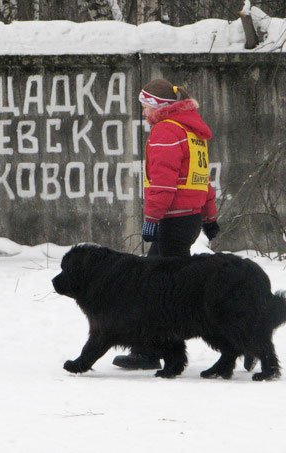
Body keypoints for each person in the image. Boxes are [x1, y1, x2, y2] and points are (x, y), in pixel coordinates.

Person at [112, 78, 220, 370]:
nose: (144, 114)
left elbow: (162, 182)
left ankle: (154, 351)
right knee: (164, 286)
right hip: (189, 220)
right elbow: (203, 181)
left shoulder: (166, 131)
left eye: (146, 107)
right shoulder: (192, 132)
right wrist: (209, 217)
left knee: (158, 290)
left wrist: (152, 219)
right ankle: (150, 348)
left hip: (171, 221)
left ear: (158, 106)